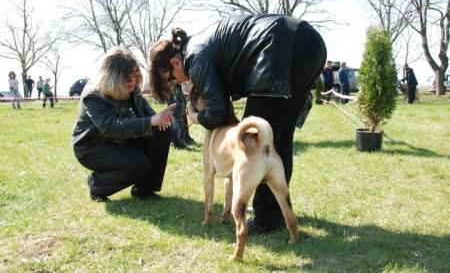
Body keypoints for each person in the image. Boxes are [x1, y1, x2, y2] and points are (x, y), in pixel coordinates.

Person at [149, 14, 326, 234]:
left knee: (252, 142)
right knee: (278, 140)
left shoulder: (194, 56)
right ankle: (274, 213)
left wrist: (195, 118)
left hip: (280, 49)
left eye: (172, 78)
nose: (180, 81)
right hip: (310, 43)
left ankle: (266, 219)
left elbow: (217, 112)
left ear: (175, 62)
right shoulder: (200, 44)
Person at [72, 47, 176, 201]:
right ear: (112, 78)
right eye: (127, 81)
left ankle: (145, 189)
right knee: (139, 166)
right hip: (92, 147)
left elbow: (144, 111)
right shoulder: (93, 95)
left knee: (162, 131)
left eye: (134, 79)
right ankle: (97, 184)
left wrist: (159, 118)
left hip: (120, 139)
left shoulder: (131, 84)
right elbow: (111, 127)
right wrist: (150, 121)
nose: (132, 84)